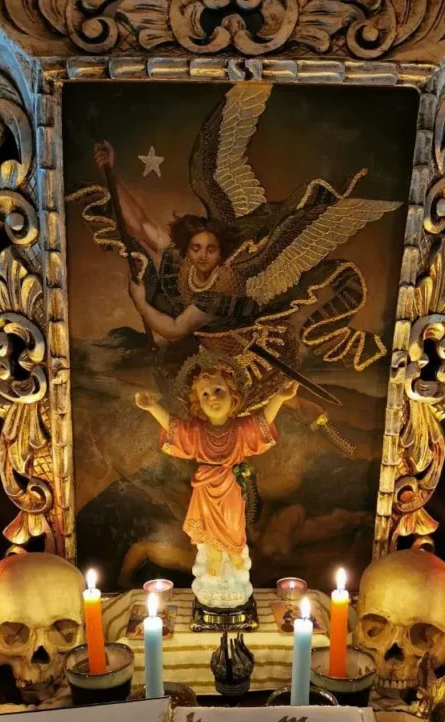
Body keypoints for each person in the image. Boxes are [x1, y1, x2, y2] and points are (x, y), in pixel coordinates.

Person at [134, 364, 298, 578]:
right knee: (209, 522)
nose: (212, 397)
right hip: (206, 487)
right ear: (198, 404)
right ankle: (214, 555)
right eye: (205, 394)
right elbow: (175, 428)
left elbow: (262, 423)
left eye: (218, 390)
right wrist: (153, 407)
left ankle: (234, 550)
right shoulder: (197, 431)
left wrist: (280, 398)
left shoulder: (240, 429)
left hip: (231, 484)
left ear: (232, 395)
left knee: (233, 521)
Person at [94, 142, 254, 345]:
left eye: (211, 249)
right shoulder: (182, 260)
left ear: (221, 253)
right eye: (196, 248)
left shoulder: (222, 290)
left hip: (237, 351)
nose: (202, 256)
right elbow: (140, 224)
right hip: (199, 344)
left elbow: (175, 330)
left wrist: (141, 304)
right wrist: (109, 174)